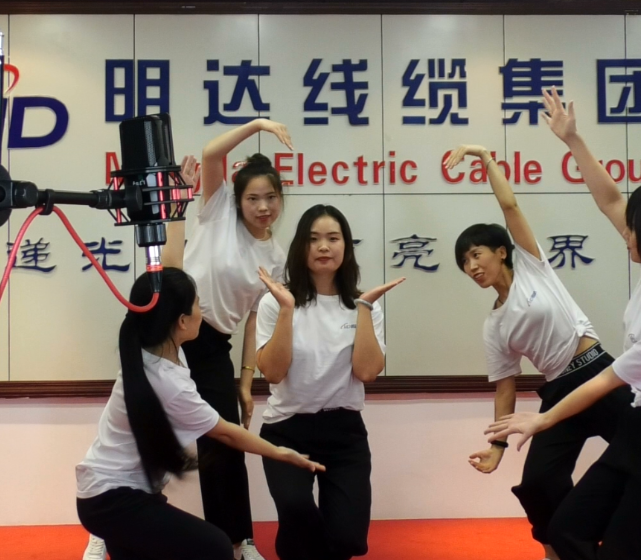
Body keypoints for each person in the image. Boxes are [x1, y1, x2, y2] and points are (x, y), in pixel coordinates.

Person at [447, 142, 641, 560]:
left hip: (600, 374)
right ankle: (556, 551)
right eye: (463, 263)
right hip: (563, 389)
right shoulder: (494, 325)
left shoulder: (534, 267)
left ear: (502, 251)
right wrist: (499, 445)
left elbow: (510, 206)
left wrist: (486, 158)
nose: (472, 266)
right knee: (538, 485)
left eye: (476, 254)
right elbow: (505, 387)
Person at [75, 263, 324, 560]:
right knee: (215, 546)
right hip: (112, 500)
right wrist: (280, 452)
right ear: (182, 321)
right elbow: (226, 433)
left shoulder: (157, 351)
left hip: (109, 495)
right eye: (197, 304)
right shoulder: (167, 381)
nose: (201, 312)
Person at [165, 120, 292, 560]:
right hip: (169, 333)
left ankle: (237, 540)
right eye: (253, 198)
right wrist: (258, 124)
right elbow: (211, 154)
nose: (263, 206)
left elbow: (255, 320)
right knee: (143, 429)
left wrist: (246, 381)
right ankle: (105, 527)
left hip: (213, 344)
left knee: (225, 441)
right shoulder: (218, 210)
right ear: (237, 199)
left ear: (280, 198)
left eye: (270, 197)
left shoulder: (276, 257)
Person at [255, 204, 403, 560]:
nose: (324, 247)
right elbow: (273, 372)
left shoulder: (363, 305)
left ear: (346, 246)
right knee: (297, 513)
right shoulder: (276, 302)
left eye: (333, 238)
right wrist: (287, 310)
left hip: (344, 433)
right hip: (287, 430)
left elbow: (367, 372)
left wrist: (364, 308)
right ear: (300, 247)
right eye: (314, 239)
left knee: (348, 540)